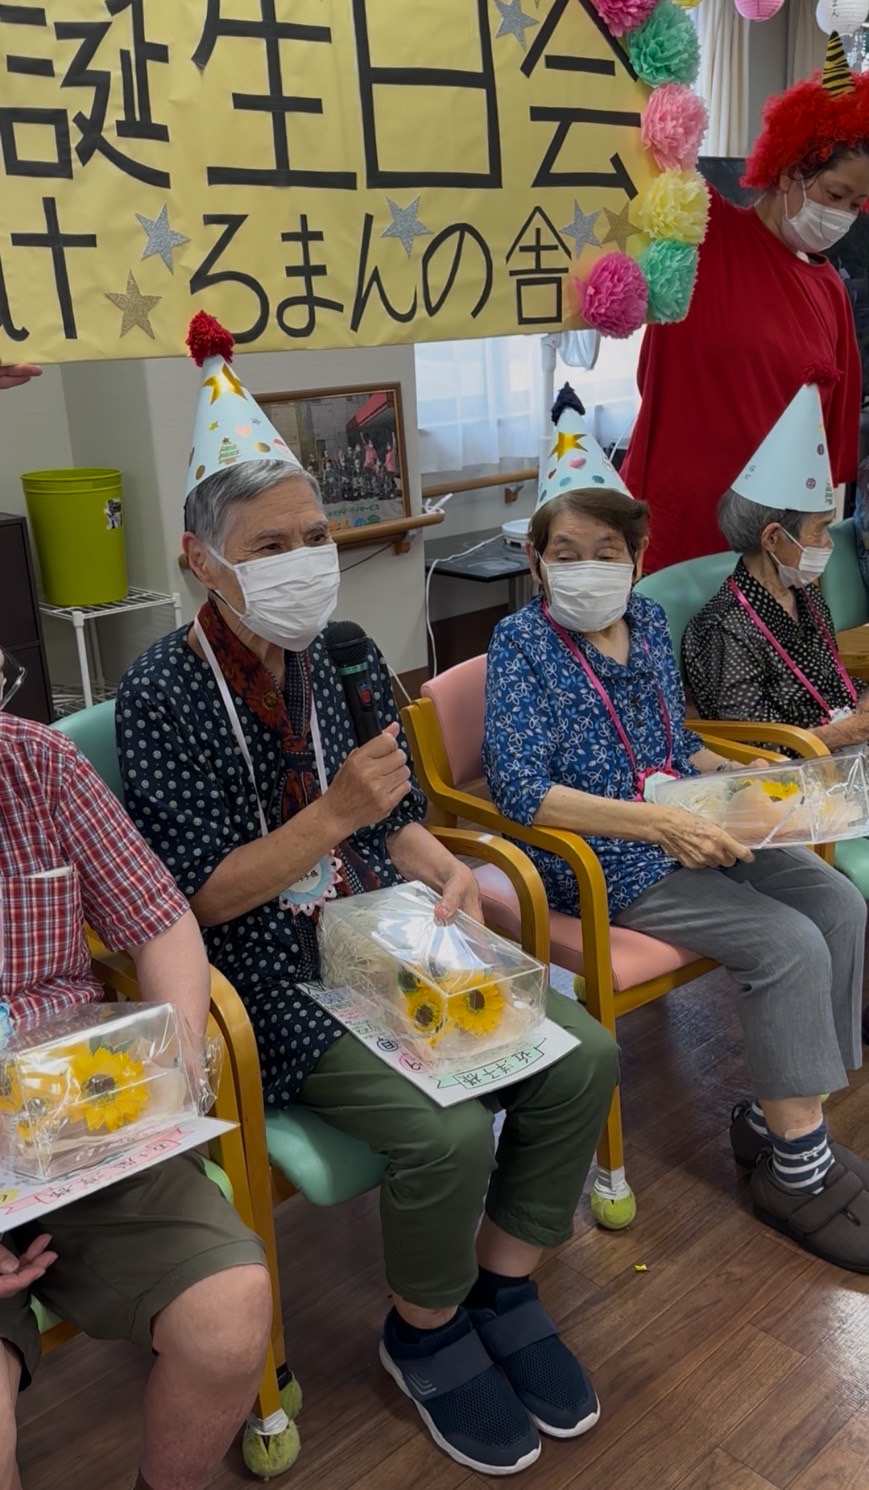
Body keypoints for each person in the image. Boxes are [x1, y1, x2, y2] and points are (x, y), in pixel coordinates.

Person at [115, 313, 619, 1477]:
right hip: (266, 978)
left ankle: (501, 1285)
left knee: (581, 1056)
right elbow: (193, 899)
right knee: (444, 1130)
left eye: (314, 534)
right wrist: (332, 816)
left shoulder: (341, 651)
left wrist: (449, 876)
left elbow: (395, 816)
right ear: (202, 559)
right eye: (269, 543)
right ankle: (423, 1329)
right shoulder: (162, 695)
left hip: (385, 936)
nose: (303, 558)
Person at [484, 384, 869, 1276]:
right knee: (785, 944)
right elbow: (522, 791)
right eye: (565, 553)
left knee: (838, 906)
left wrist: (743, 782)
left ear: (636, 556)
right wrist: (658, 822)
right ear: (536, 561)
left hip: (688, 819)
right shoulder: (519, 646)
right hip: (604, 855)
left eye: (606, 552)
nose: (587, 568)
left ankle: (782, 1121)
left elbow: (674, 745)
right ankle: (796, 1171)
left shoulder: (650, 622)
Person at [0, 666, 273, 1490]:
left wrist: (173, 1068)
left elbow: (160, 921)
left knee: (229, 1313)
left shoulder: (36, 764)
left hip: (76, 1119)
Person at [620, 32, 867, 573]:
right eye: (835, 195)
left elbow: (829, 457)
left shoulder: (829, 291)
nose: (844, 215)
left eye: (856, 203)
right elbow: (639, 139)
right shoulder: (703, 229)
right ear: (789, 170)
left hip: (769, 549)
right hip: (674, 528)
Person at [683, 383, 868, 747]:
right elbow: (753, 745)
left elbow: (837, 685)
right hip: (788, 769)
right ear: (772, 539)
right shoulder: (724, 628)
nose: (829, 543)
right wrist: (851, 731)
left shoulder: (804, 597)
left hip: (841, 747)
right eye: (820, 530)